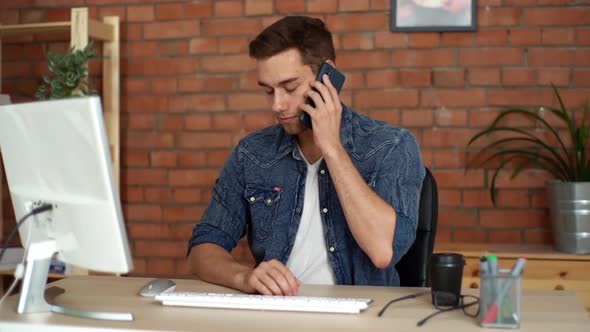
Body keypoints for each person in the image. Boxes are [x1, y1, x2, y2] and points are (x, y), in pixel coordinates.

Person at [187, 16, 425, 296]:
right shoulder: (251, 154)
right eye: (268, 91)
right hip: (275, 315)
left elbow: (383, 251)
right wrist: (244, 277)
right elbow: (203, 249)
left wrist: (332, 148)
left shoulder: (392, 146)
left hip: (360, 318)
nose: (277, 105)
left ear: (328, 77)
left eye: (290, 88)